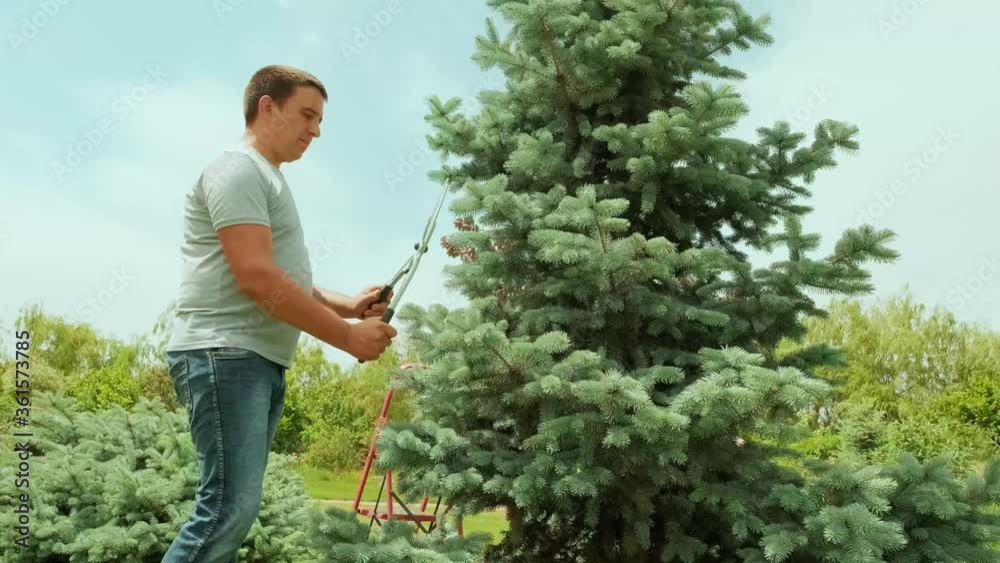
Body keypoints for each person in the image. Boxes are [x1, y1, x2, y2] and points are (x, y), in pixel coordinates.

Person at [162, 64, 397, 562]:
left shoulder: (266, 178)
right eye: (307, 115)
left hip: (253, 358)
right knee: (225, 511)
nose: (315, 130)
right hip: (224, 352)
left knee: (232, 512)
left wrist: (348, 305)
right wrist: (349, 338)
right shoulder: (237, 170)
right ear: (267, 107)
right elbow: (257, 278)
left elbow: (282, 276)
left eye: (319, 120)